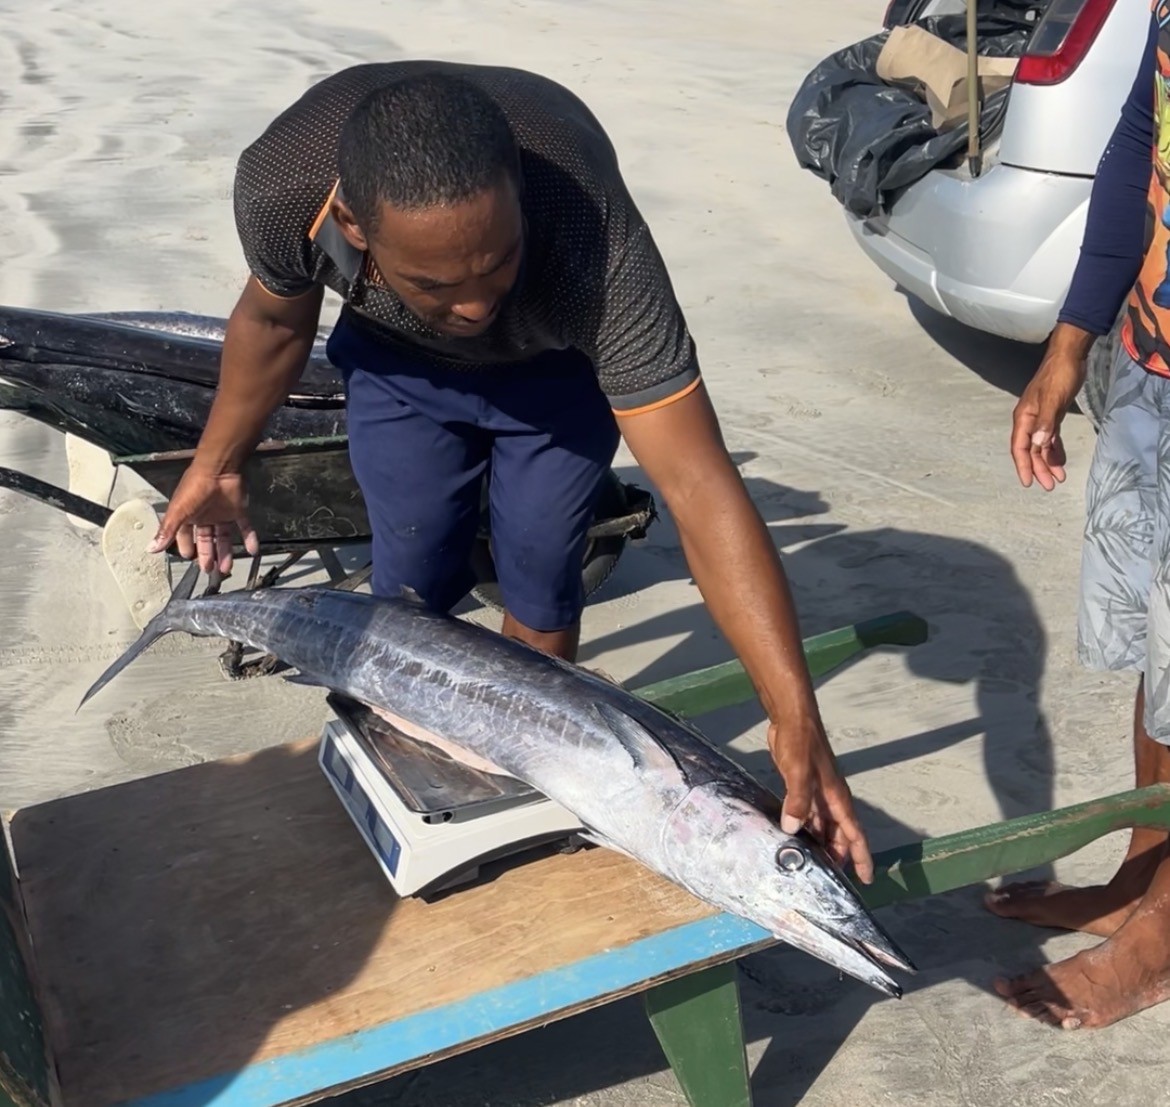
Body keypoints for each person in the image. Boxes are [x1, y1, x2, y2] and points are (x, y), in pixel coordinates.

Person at [146, 62, 874, 883]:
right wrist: (218, 464)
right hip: (397, 363)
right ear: (351, 222)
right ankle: (415, 790)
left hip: (556, 374)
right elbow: (275, 323)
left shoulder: (596, 239)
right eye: (435, 282)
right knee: (409, 571)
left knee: (539, 567)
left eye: (497, 262)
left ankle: (526, 797)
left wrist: (793, 712)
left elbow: (699, 485)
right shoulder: (284, 187)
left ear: (521, 197)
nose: (472, 306)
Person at [995, 9, 1170, 1029]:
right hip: (1154, 358)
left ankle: (1163, 932)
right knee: (1158, 643)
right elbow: (1142, 131)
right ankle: (1146, 874)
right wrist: (1071, 342)